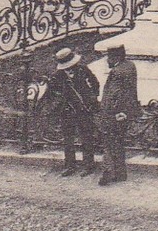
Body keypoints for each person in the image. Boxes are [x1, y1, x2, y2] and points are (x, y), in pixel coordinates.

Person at [42, 47, 100, 176]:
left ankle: (89, 165)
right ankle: (70, 165)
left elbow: (95, 83)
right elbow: (50, 94)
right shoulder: (57, 76)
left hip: (83, 109)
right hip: (67, 111)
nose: (72, 67)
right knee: (68, 139)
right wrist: (58, 103)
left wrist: (92, 97)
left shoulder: (83, 69)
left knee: (86, 138)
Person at [97, 45, 139, 186]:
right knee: (118, 143)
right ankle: (120, 173)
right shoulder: (130, 66)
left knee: (109, 143)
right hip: (126, 111)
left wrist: (110, 111)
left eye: (108, 57)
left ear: (115, 57)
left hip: (114, 114)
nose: (107, 60)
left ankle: (108, 172)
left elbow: (114, 95)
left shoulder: (117, 72)